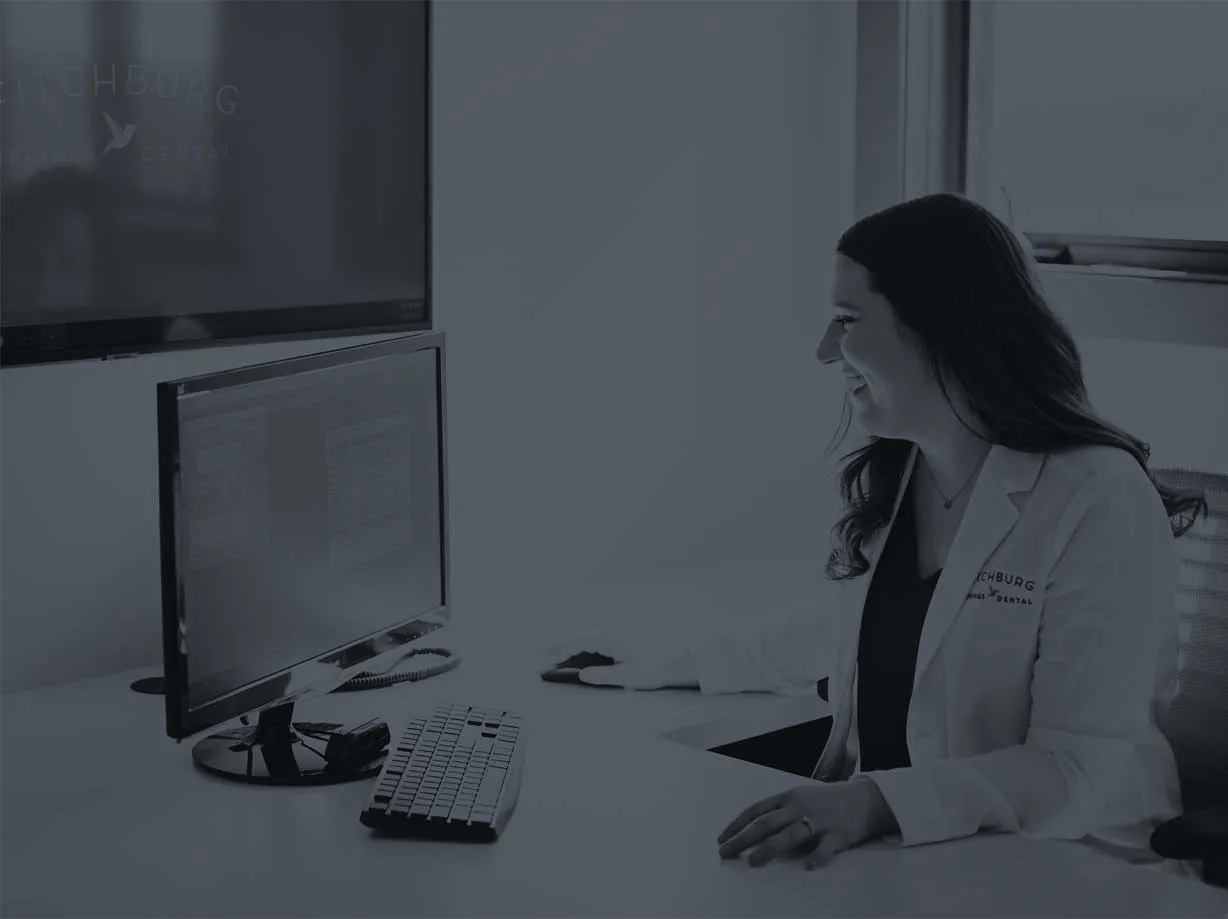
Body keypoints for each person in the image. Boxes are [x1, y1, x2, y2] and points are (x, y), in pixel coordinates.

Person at [555, 192, 1207, 874]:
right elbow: (849, 631)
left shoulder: (1098, 496)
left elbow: (1079, 765)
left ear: (941, 326)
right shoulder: (908, 471)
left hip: (1075, 868)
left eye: (847, 320)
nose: (823, 351)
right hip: (925, 862)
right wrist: (651, 665)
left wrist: (875, 800)